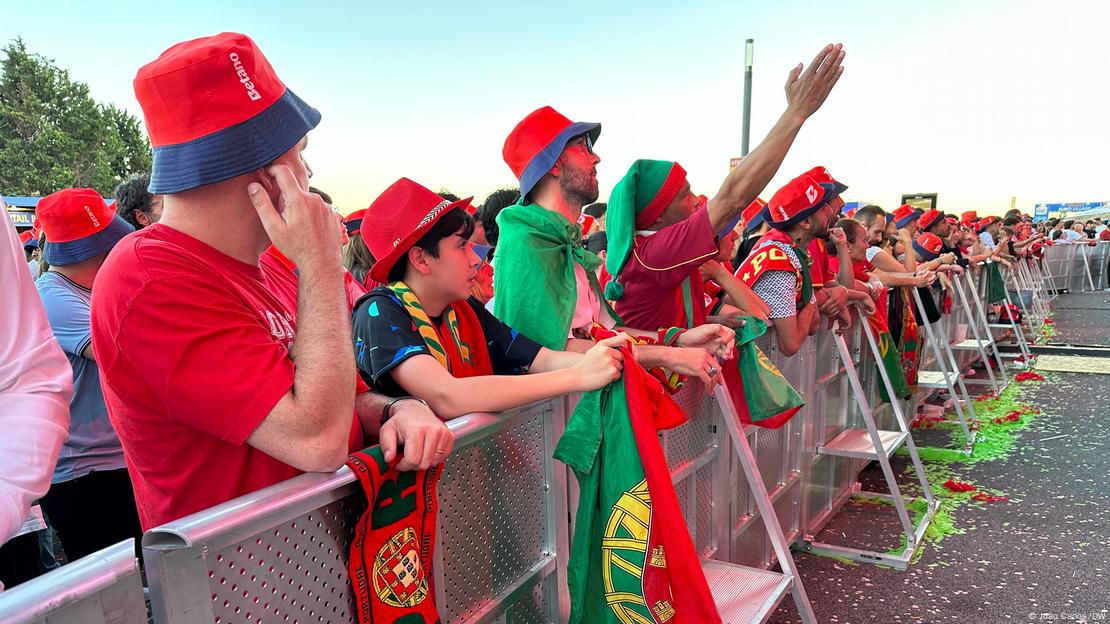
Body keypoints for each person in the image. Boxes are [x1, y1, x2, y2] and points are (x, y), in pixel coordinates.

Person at [91, 32, 450, 530]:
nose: (307, 171)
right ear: (269, 167)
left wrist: (395, 410)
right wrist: (324, 263)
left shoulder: (277, 263)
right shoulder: (148, 278)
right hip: (244, 587)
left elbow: (339, 400)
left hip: (320, 561)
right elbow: (317, 440)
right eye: (300, 153)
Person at [600, 44, 845, 335]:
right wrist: (795, 114)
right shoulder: (654, 254)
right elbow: (733, 197)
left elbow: (760, 313)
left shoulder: (664, 253)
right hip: (660, 379)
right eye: (684, 195)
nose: (696, 203)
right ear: (655, 217)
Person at [494, 105, 734, 387]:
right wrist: (669, 355)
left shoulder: (562, 242)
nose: (596, 157)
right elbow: (549, 355)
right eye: (583, 147)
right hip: (560, 426)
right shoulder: (525, 244)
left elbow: (608, 332)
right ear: (554, 165)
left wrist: (678, 340)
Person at [352, 178, 626, 416]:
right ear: (421, 259)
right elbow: (448, 396)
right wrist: (578, 375)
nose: (475, 259)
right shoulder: (379, 312)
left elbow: (540, 359)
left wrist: (611, 357)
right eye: (461, 246)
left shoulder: (464, 308)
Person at [32, 188, 142, 561]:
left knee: (143, 571)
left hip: (117, 459)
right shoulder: (54, 298)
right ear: (93, 249)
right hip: (85, 472)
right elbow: (132, 359)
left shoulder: (92, 289)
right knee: (112, 585)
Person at [0, 217, 72, 589]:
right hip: (78, 467)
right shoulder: (55, 295)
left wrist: (9, 498)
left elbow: (30, 377)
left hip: (22, 507)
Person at [734, 173, 831, 355]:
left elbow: (813, 325)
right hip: (741, 369)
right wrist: (810, 303)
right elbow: (790, 345)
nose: (831, 212)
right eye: (823, 207)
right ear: (806, 222)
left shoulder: (789, 251)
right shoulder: (779, 263)